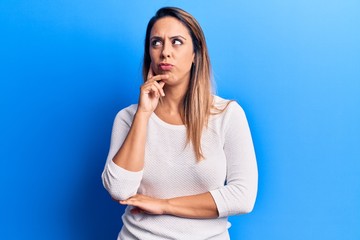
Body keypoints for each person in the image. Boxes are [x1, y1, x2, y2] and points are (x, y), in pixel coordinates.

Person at [102, 6, 258, 240]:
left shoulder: (227, 115)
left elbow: (243, 197)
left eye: (176, 42)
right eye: (156, 43)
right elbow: (119, 189)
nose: (165, 52)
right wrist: (143, 114)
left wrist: (164, 205)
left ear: (196, 53)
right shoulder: (128, 118)